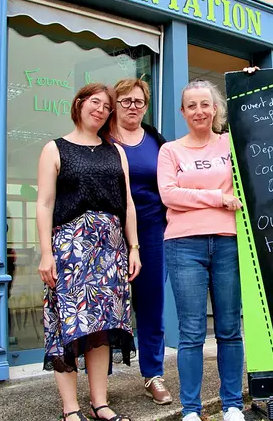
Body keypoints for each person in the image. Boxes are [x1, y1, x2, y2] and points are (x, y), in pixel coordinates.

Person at [36, 82, 142, 421]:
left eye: (107, 106)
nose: (101, 109)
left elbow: (128, 203)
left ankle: (100, 404)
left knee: (101, 328)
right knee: (67, 326)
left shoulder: (117, 151)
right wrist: (45, 253)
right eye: (94, 102)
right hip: (69, 250)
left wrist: (134, 247)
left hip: (110, 250)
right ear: (79, 104)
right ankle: (70, 409)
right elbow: (44, 204)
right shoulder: (55, 148)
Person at [157, 80, 246, 421]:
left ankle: (233, 404)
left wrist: (249, 79)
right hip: (184, 245)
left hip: (227, 240)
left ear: (215, 109)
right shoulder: (170, 151)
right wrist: (218, 197)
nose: (199, 111)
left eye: (205, 105)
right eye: (191, 106)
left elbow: (262, 118)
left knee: (228, 327)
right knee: (192, 331)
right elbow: (169, 195)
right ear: (182, 112)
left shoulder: (229, 144)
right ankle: (191, 410)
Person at [109, 78, 173, 405]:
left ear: (146, 105)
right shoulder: (101, 138)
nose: (132, 106)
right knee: (105, 304)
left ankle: (152, 373)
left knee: (151, 303)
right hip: (107, 233)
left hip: (151, 230)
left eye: (138, 101)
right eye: (125, 101)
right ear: (115, 104)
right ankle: (99, 377)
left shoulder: (156, 141)